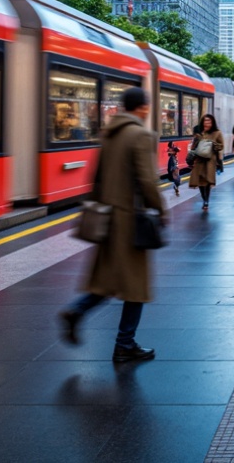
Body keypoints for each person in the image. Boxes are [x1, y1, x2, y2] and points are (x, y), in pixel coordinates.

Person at [59, 87, 166, 363]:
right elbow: (147, 180)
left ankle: (77, 311)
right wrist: (161, 209)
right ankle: (125, 343)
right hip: (131, 220)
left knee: (107, 280)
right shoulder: (140, 135)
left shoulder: (109, 135)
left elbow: (95, 178)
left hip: (109, 219)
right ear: (142, 107)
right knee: (135, 285)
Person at [188, 114, 224, 211]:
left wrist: (213, 144)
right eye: (205, 121)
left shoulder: (217, 133)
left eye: (209, 121)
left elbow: (221, 146)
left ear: (212, 123)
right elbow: (193, 145)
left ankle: (206, 201)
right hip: (199, 160)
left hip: (210, 161)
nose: (207, 123)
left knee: (207, 181)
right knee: (199, 181)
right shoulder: (198, 132)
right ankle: (204, 198)